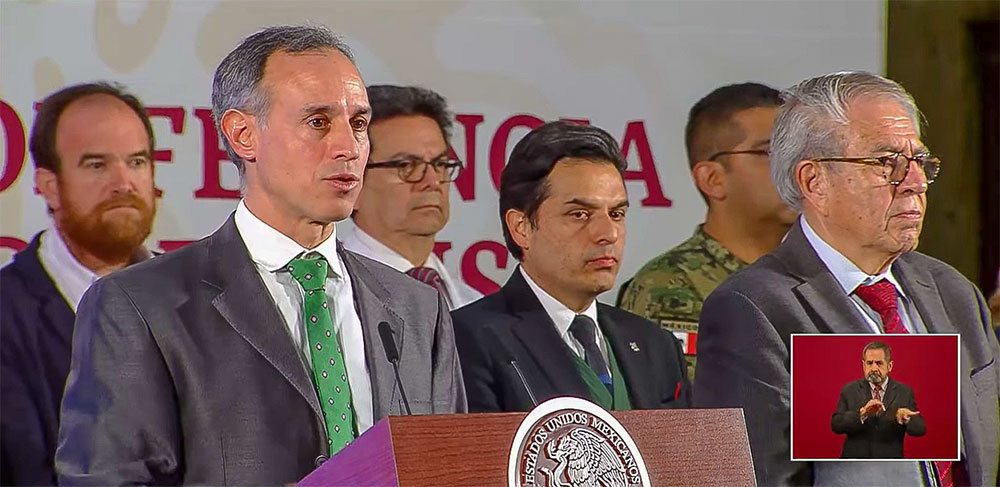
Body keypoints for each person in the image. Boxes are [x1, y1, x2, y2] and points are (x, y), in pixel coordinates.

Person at [55, 25, 466, 486]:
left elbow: (452, 470)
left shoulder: (418, 310)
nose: (349, 148)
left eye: (358, 124)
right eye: (318, 122)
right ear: (243, 134)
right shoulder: (141, 307)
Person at [694, 71, 999, 486]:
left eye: (919, 162)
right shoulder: (755, 309)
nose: (915, 183)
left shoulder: (954, 292)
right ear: (814, 181)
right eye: (886, 163)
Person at [452, 121, 689, 413]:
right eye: (579, 214)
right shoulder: (467, 340)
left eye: (616, 214)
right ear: (521, 227)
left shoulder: (656, 345)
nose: (608, 233)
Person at [1, 82, 157, 486]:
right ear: (49, 186)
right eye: (97, 165)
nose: (124, 183)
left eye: (137, 161)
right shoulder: (7, 314)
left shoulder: (194, 299)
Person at [618, 83, 796, 377]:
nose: (794, 167)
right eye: (770, 152)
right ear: (712, 179)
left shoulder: (818, 279)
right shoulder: (669, 286)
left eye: (798, 151)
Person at [344, 84, 480, 309]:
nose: (432, 182)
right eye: (406, 166)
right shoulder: (329, 301)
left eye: (440, 164)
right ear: (352, 182)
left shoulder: (473, 304)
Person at [830, 341, 925, 458]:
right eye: (870, 363)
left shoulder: (904, 392)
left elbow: (920, 429)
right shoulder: (850, 390)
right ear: (864, 365)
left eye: (879, 363)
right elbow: (836, 424)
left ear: (889, 366)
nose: (874, 368)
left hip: (890, 462)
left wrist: (906, 419)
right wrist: (861, 414)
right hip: (854, 462)